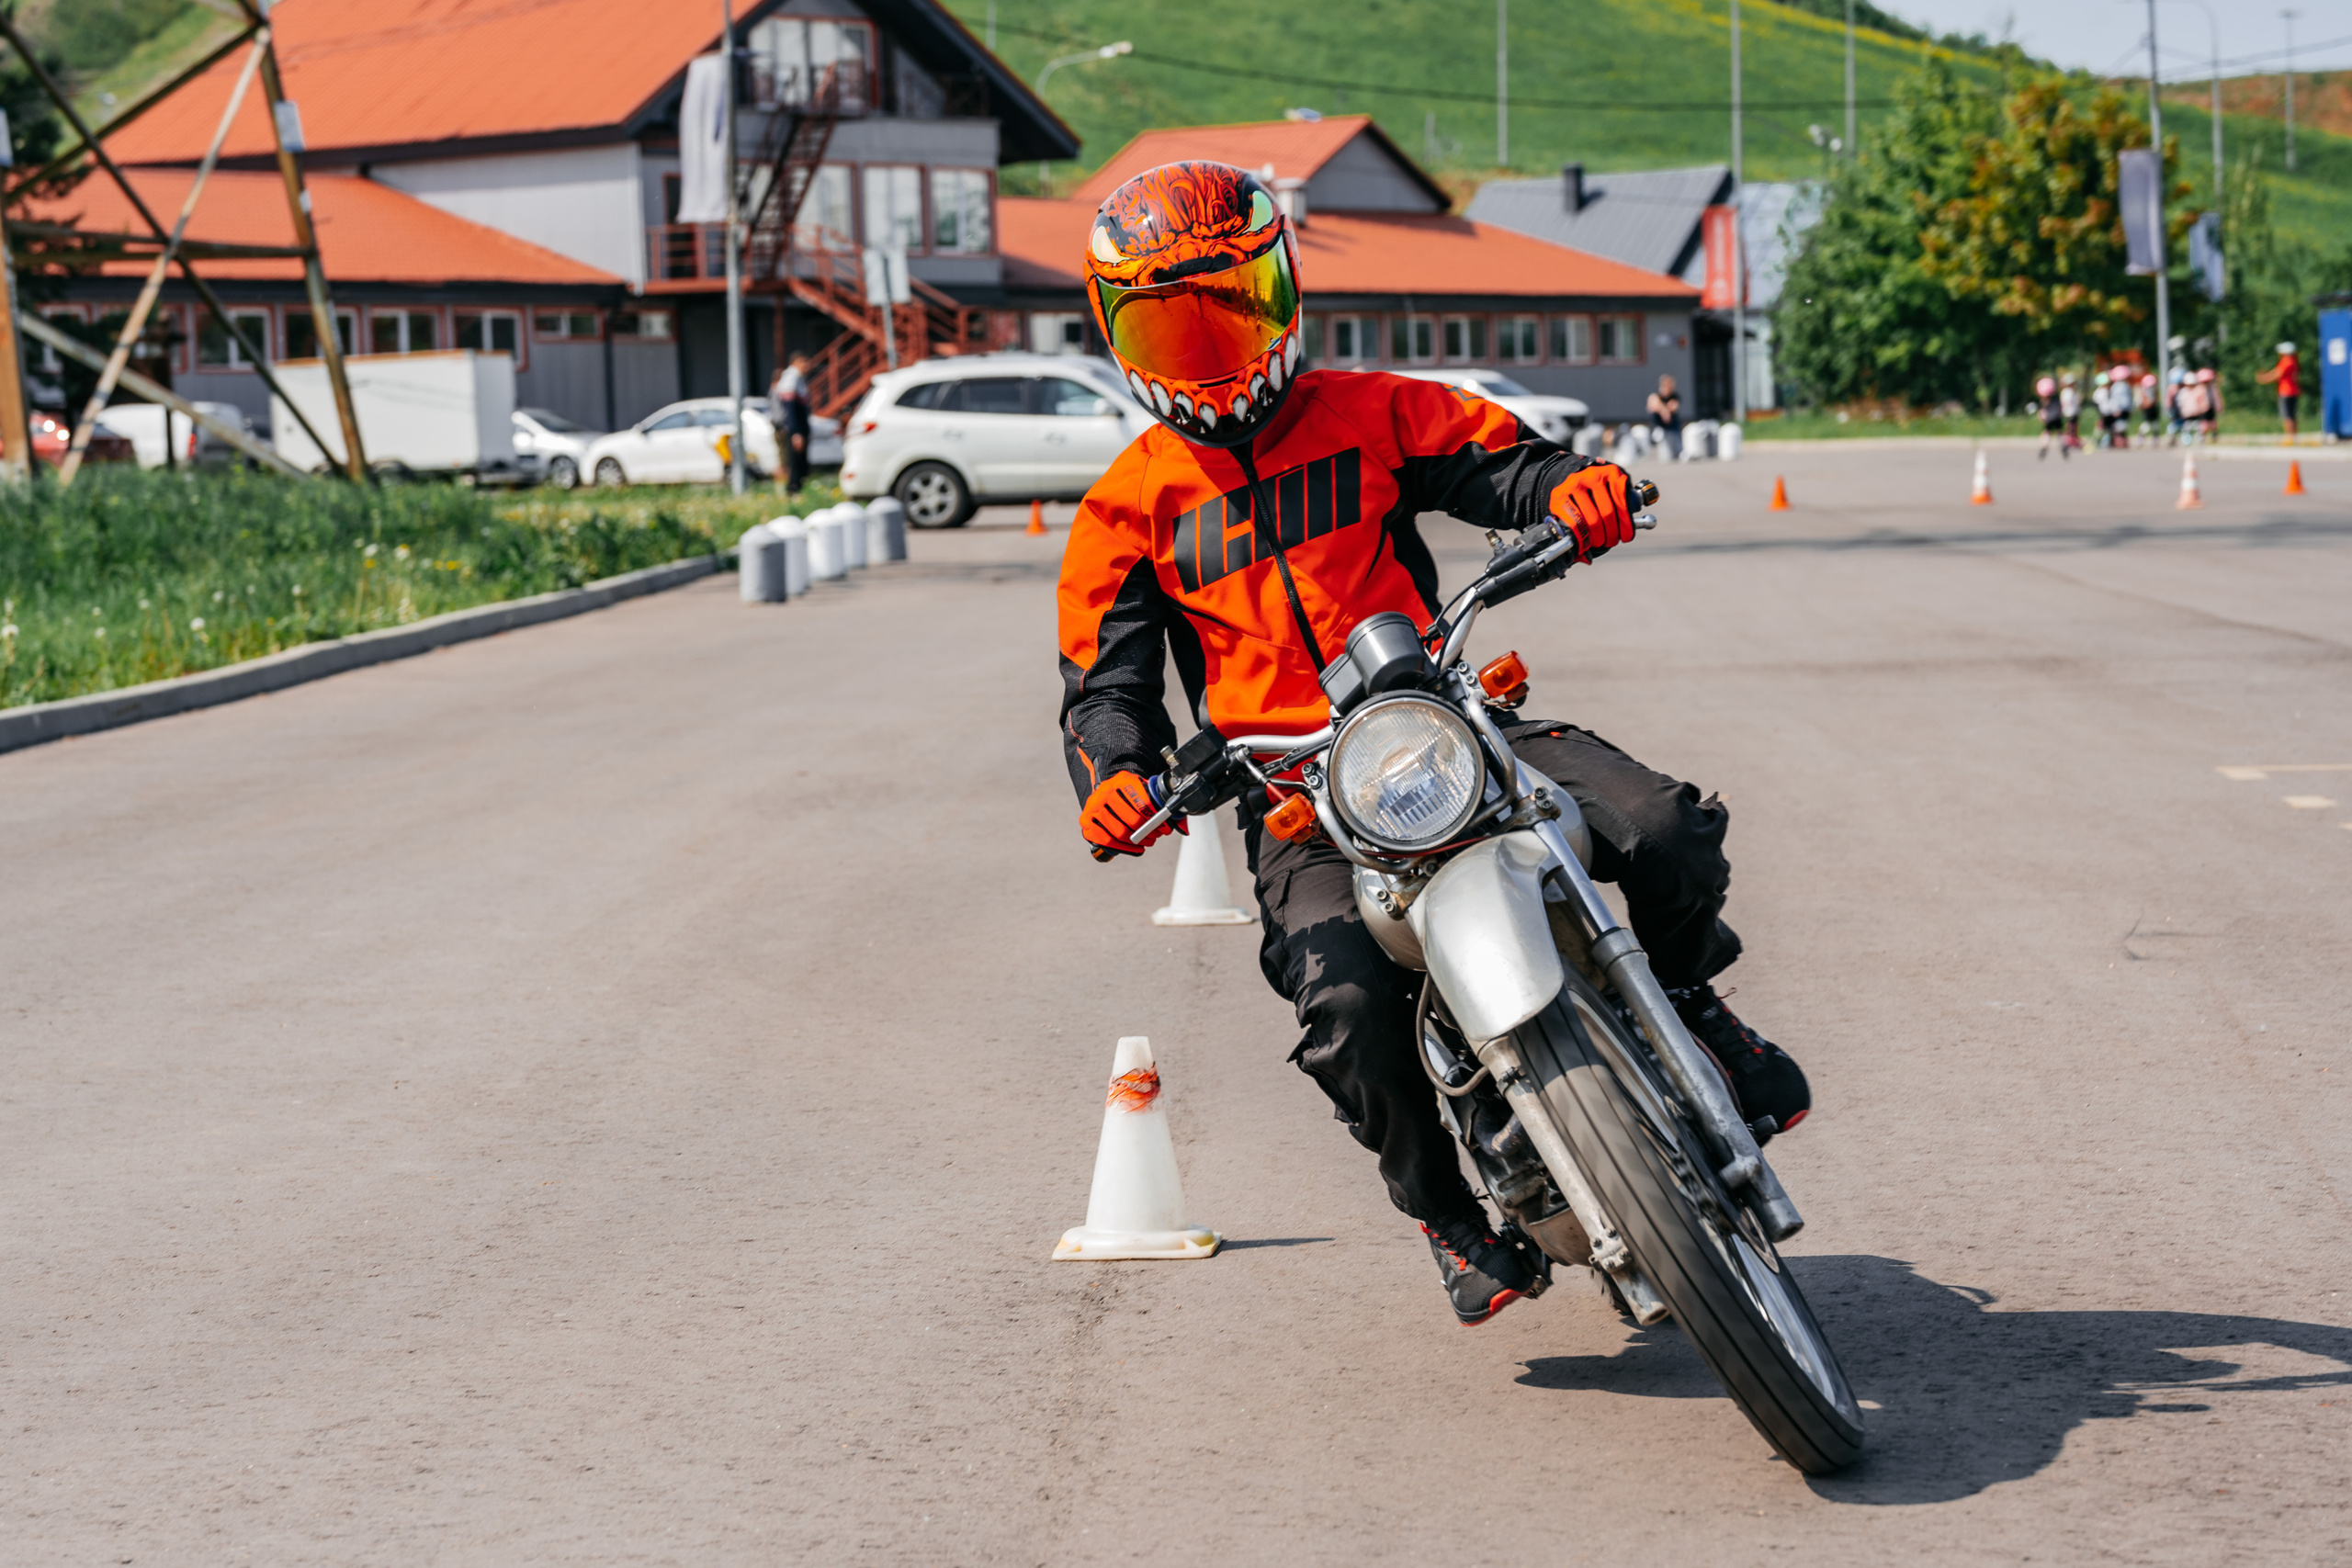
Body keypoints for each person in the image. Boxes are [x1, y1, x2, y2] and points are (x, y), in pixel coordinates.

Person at [1057, 162, 1810, 1327]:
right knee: (1343, 1006)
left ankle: (1696, 1007)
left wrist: (1574, 488)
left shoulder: (1373, 409)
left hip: (1443, 716)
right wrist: (1114, 775)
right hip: (1296, 793)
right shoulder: (1123, 513)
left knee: (1659, 824)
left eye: (1228, 304)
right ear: (1119, 331)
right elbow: (1105, 689)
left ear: (1280, 288)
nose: (1206, 342)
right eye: (1169, 317)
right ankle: (1447, 1215)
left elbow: (1500, 466)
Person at [769, 353, 812, 494]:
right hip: (795, 430)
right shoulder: (791, 379)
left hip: (797, 428)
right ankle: (792, 491)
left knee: (799, 463)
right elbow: (790, 410)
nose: (807, 366)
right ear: (795, 363)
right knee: (794, 462)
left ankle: (797, 489)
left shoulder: (798, 379)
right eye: (803, 362)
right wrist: (796, 432)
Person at [2256, 343, 2299, 440]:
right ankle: (2294, 437)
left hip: (2286, 391)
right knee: (2292, 415)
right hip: (2293, 391)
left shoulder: (2286, 361)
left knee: (2287, 416)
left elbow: (2277, 374)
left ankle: (2290, 438)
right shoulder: (2294, 361)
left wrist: (2263, 378)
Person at [1645, 374, 1684, 460]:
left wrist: (1662, 409)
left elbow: (1674, 407)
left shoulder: (1675, 396)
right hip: (1659, 426)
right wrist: (1664, 411)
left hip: (1672, 426)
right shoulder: (1656, 396)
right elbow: (1651, 406)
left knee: (1674, 453)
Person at [2036, 374, 2063, 460]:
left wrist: (2043, 419)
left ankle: (2044, 446)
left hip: (2049, 419)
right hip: (2057, 418)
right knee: (2059, 432)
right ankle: (2063, 445)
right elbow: (2060, 408)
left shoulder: (2043, 400)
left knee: (2047, 433)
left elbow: (2041, 412)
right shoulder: (2056, 398)